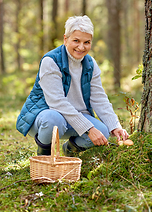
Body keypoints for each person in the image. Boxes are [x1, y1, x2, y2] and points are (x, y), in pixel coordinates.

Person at [16, 15, 129, 156]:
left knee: (104, 132)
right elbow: (57, 103)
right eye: (76, 40)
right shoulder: (51, 61)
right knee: (53, 119)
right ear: (65, 39)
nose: (81, 47)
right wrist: (89, 129)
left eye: (87, 42)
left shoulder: (90, 64)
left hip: (76, 118)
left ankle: (69, 150)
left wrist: (115, 126)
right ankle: (44, 155)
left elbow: (99, 99)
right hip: (45, 117)